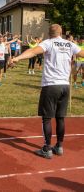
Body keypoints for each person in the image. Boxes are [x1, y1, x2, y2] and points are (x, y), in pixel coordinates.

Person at [11, 24, 84, 159]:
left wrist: (16, 58)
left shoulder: (48, 43)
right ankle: (59, 146)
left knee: (46, 118)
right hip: (65, 86)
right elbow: (83, 54)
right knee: (60, 118)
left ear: (49, 33)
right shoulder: (69, 44)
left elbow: (32, 51)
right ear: (61, 32)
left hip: (51, 85)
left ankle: (47, 148)